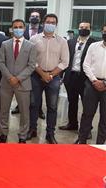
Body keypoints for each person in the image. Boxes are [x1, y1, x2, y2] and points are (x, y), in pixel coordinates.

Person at [28, 13, 69, 144]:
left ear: (56, 25)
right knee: (33, 104)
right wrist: (42, 73)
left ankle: (50, 133)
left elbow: (65, 62)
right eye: (48, 22)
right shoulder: (34, 39)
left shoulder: (62, 41)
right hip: (36, 76)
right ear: (43, 23)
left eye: (53, 23)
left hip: (54, 78)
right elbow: (31, 59)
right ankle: (32, 129)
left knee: (52, 107)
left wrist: (51, 75)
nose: (50, 24)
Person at [0, 19, 36, 143]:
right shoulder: (5, 44)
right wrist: (10, 77)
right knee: (4, 109)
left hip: (23, 83)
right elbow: (1, 62)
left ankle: (23, 135)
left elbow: (31, 65)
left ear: (24, 28)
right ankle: (3, 132)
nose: (18, 29)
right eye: (15, 27)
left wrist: (18, 78)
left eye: (20, 27)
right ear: (11, 29)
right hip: (6, 82)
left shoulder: (31, 46)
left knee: (24, 111)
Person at [59, 22, 96, 131]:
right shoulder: (70, 42)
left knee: (87, 105)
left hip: (85, 78)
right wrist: (61, 76)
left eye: (86, 28)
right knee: (72, 101)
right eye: (81, 27)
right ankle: (72, 124)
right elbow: (65, 59)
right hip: (71, 76)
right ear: (77, 28)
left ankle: (86, 129)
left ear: (90, 29)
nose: (83, 29)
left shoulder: (94, 43)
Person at [76, 24, 106, 144]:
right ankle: (81, 141)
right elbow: (86, 65)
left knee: (105, 118)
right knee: (87, 114)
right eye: (104, 31)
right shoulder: (93, 46)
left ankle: (100, 144)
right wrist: (94, 80)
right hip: (91, 84)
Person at [13, 10, 45, 118]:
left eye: (37, 16)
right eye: (32, 16)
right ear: (29, 18)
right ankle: (19, 106)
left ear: (40, 19)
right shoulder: (23, 29)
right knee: (21, 86)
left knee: (37, 89)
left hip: (38, 65)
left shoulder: (44, 31)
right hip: (23, 63)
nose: (34, 18)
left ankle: (39, 110)